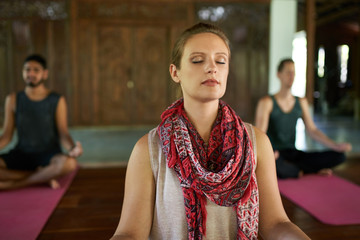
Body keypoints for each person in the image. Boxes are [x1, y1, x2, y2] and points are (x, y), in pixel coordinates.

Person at [110, 23, 309, 240]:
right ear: (175, 72)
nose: (212, 68)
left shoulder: (256, 142)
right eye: (197, 60)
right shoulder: (149, 149)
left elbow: (276, 224)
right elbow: (129, 233)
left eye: (220, 61)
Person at [255, 58, 352, 179]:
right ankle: (305, 170)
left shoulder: (301, 101)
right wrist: (269, 153)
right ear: (278, 75)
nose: (291, 76)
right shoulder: (267, 102)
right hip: (275, 154)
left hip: (294, 153)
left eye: (293, 73)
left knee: (339, 156)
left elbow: (312, 130)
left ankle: (297, 170)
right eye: (288, 72)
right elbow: (260, 134)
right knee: (271, 165)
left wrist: (335, 146)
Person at [0, 54, 83, 190]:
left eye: (36, 70)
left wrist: (72, 148)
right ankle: (43, 176)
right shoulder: (13, 99)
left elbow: (63, 133)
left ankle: (14, 184)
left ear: (45, 74)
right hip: (22, 153)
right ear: (23, 72)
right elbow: (6, 137)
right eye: (27, 70)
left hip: (49, 155)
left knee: (70, 164)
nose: (30, 73)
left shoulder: (57, 100)